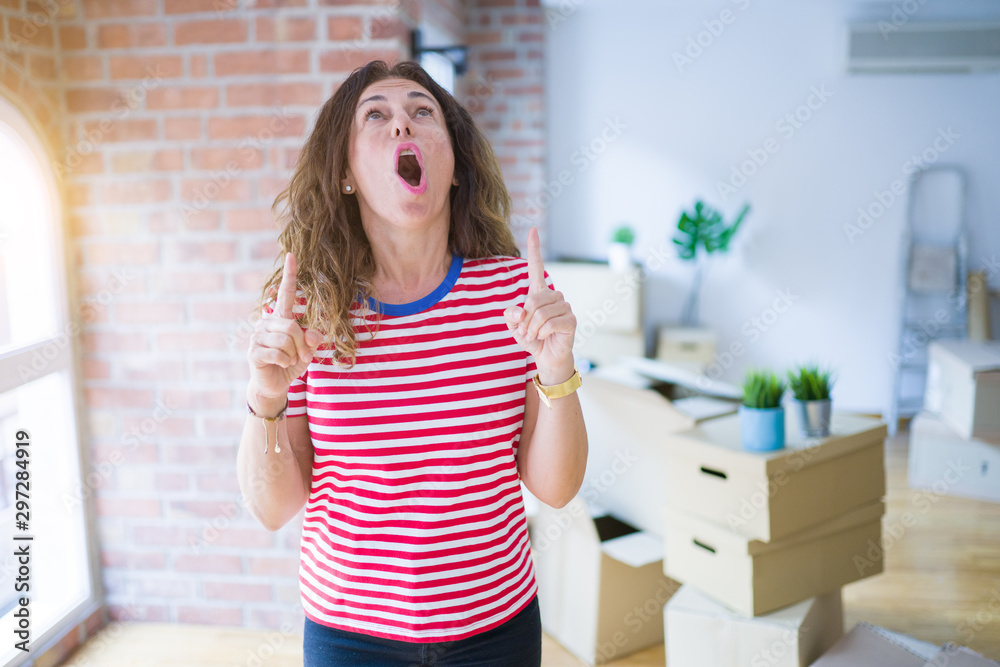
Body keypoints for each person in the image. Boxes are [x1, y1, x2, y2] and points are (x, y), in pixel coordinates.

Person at [236, 59, 588, 667]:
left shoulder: (514, 296)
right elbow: (273, 508)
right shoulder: (307, 309)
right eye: (376, 115)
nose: (403, 125)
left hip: (496, 626)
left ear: (453, 164)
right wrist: (266, 395)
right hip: (349, 633)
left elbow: (555, 490)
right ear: (346, 174)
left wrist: (557, 368)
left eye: (423, 112)